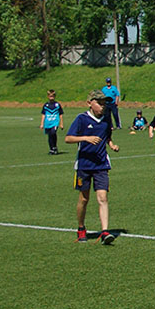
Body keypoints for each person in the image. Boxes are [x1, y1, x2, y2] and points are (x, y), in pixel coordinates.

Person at [65, 90, 121, 244]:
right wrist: (86, 138)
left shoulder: (106, 120)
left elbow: (107, 137)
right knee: (84, 199)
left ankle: (104, 232)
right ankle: (81, 227)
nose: (103, 107)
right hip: (84, 165)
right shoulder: (81, 119)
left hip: (101, 164)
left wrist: (112, 145)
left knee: (103, 197)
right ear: (90, 103)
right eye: (99, 103)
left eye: (104, 104)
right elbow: (68, 138)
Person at [41, 90, 64, 155]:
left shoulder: (57, 105)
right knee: (49, 136)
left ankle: (54, 147)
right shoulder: (46, 105)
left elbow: (60, 114)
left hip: (55, 122)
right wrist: (42, 124)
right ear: (48, 96)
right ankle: (51, 148)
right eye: (50, 96)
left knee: (53, 133)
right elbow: (43, 114)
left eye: (53, 96)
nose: (51, 97)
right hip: (48, 122)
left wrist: (61, 124)